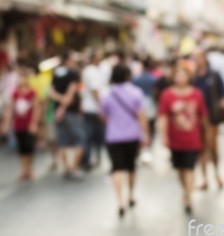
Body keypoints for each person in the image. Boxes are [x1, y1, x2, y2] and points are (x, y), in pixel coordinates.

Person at [158, 63, 208, 214]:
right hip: (176, 139)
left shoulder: (197, 94)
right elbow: (163, 117)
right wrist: (163, 135)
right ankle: (186, 191)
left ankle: (188, 195)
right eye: (178, 75)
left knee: (190, 167)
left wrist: (206, 135)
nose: (180, 78)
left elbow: (203, 116)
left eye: (183, 74)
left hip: (193, 138)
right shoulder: (167, 95)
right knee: (180, 168)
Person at [101, 63, 149, 218]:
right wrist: (146, 134)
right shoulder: (136, 92)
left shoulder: (107, 94)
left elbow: (103, 115)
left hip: (113, 136)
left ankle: (120, 201)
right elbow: (141, 115)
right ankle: (131, 195)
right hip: (132, 135)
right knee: (131, 167)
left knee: (117, 168)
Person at [192, 49, 224, 190]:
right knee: (200, 149)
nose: (198, 60)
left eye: (200, 57)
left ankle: (217, 174)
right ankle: (204, 178)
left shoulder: (214, 75)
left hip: (212, 117)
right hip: (197, 118)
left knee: (213, 147)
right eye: (195, 58)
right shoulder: (193, 77)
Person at [49, 51, 85, 178]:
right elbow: (70, 95)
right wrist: (63, 106)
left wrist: (59, 102)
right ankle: (74, 168)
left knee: (62, 141)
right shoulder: (73, 74)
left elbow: (51, 93)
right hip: (71, 112)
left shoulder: (56, 74)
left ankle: (65, 168)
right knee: (81, 139)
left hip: (58, 112)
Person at [1, 67, 40, 180]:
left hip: (29, 124)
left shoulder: (32, 92)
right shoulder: (15, 93)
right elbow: (10, 109)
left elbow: (36, 108)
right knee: (21, 148)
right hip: (18, 125)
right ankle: (24, 170)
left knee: (29, 147)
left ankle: (30, 168)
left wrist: (34, 123)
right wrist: (6, 124)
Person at [81, 51, 106, 170]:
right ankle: (87, 159)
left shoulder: (89, 70)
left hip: (91, 107)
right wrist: (101, 107)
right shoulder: (91, 71)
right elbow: (94, 90)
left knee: (92, 135)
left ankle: (93, 158)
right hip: (93, 109)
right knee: (90, 135)